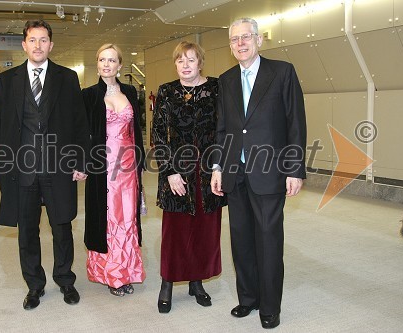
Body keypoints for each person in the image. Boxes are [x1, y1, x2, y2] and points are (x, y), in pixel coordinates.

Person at [210, 18, 307, 329]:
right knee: (242, 241)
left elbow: (296, 123)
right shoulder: (224, 80)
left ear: (259, 40)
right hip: (235, 175)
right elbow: (222, 129)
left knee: (268, 242)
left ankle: (269, 307)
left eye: (246, 37)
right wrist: (217, 167)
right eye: (235, 39)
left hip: (269, 173)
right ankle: (248, 299)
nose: (240, 43)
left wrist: (295, 169)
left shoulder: (282, 72)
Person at [0, 19, 90, 310]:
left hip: (58, 167)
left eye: (43, 40)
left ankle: (65, 279)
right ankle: (34, 285)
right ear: (24, 44)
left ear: (51, 44)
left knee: (62, 226)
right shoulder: (7, 80)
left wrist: (81, 161)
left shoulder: (67, 77)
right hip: (22, 169)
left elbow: (80, 124)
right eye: (32, 40)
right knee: (27, 230)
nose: (38, 45)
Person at [152, 41, 226, 313]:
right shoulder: (167, 91)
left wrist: (220, 166)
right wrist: (169, 170)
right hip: (177, 171)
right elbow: (158, 134)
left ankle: (197, 282)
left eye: (191, 60)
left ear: (201, 62)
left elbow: (225, 128)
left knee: (205, 231)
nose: (185, 65)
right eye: (180, 60)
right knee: (175, 232)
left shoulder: (217, 88)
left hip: (209, 173)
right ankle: (167, 283)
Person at [82, 43, 146, 297]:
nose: (106, 64)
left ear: (120, 65)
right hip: (103, 166)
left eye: (111, 60)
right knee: (108, 218)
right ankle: (111, 274)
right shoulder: (88, 95)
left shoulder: (130, 91)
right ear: (97, 64)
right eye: (102, 60)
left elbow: (136, 131)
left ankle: (127, 270)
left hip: (128, 165)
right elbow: (81, 134)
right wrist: (82, 163)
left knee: (128, 218)